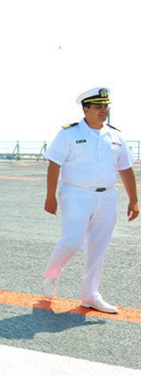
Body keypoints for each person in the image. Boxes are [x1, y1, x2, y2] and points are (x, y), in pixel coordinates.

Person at [42, 87, 138, 313]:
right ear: (85, 109)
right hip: (76, 194)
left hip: (107, 196)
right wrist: (50, 196)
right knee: (72, 241)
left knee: (98, 247)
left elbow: (126, 168)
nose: (104, 111)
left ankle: (90, 295)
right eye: (98, 107)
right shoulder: (68, 134)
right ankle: (51, 274)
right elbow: (54, 163)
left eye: (106, 106)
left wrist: (133, 200)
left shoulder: (116, 136)